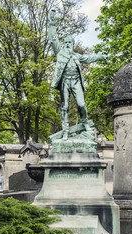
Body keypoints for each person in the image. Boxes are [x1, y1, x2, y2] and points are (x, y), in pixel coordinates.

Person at [48, 9, 107, 140]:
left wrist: (101, 56)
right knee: (65, 107)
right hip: (65, 82)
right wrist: (52, 23)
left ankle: (85, 123)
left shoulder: (77, 56)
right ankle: (65, 130)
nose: (68, 44)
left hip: (75, 82)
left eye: (70, 42)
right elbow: (53, 39)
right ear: (64, 44)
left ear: (73, 44)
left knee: (81, 104)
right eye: (66, 42)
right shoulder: (60, 52)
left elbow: (89, 58)